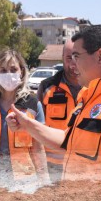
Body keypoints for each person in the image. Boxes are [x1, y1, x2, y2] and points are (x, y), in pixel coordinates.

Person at [7, 25, 101, 193]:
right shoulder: (90, 95)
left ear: (100, 57)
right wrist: (28, 125)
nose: (72, 64)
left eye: (76, 56)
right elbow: (68, 141)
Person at [0, 49, 49, 192]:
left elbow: (37, 147)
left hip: (23, 180)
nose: (8, 74)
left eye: (13, 69)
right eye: (3, 70)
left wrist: (44, 179)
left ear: (22, 72)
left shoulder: (33, 104)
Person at [36, 39, 81, 183]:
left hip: (85, 166)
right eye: (69, 58)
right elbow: (38, 126)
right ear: (62, 58)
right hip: (53, 167)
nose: (73, 63)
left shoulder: (95, 88)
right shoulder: (47, 87)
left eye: (77, 57)